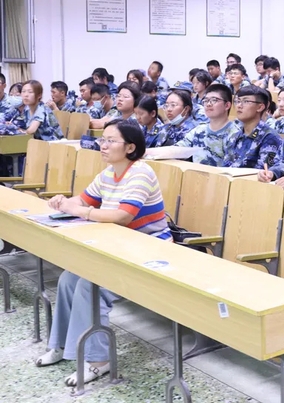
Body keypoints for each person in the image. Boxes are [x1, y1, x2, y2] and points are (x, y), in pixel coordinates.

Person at [39, 119, 171, 386]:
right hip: (118, 247)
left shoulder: (141, 173)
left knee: (90, 287)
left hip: (149, 250)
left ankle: (99, 360)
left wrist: (82, 211)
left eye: (111, 141)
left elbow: (123, 216)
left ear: (130, 147)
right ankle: (64, 346)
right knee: (68, 279)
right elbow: (83, 200)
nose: (104, 145)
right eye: (103, 140)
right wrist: (63, 202)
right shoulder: (109, 173)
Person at [155, 84, 239, 167]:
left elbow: (231, 169)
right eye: (206, 100)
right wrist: (150, 152)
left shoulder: (235, 134)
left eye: (214, 100)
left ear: (227, 105)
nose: (208, 104)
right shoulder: (199, 130)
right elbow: (177, 149)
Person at [222, 86, 282, 169]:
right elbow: (225, 167)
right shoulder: (235, 136)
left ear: (260, 107)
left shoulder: (269, 137)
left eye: (246, 101)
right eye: (237, 101)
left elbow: (264, 171)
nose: (239, 105)